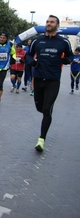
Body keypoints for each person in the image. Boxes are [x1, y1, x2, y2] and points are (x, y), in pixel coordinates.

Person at [29, 15, 73, 152]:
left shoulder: (63, 42)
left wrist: (66, 60)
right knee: (40, 107)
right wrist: (32, 62)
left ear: (57, 25)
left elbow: (70, 55)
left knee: (47, 109)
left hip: (53, 80)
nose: (48, 24)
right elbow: (29, 55)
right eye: (47, 21)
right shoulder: (37, 41)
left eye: (52, 22)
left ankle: (41, 139)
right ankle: (47, 114)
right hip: (39, 78)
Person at [0, 32, 16, 111]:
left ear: (6, 39)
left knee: (0, 83)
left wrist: (13, 59)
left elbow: (13, 53)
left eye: (4, 38)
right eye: (1, 37)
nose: (2, 39)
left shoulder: (10, 45)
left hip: (4, 68)